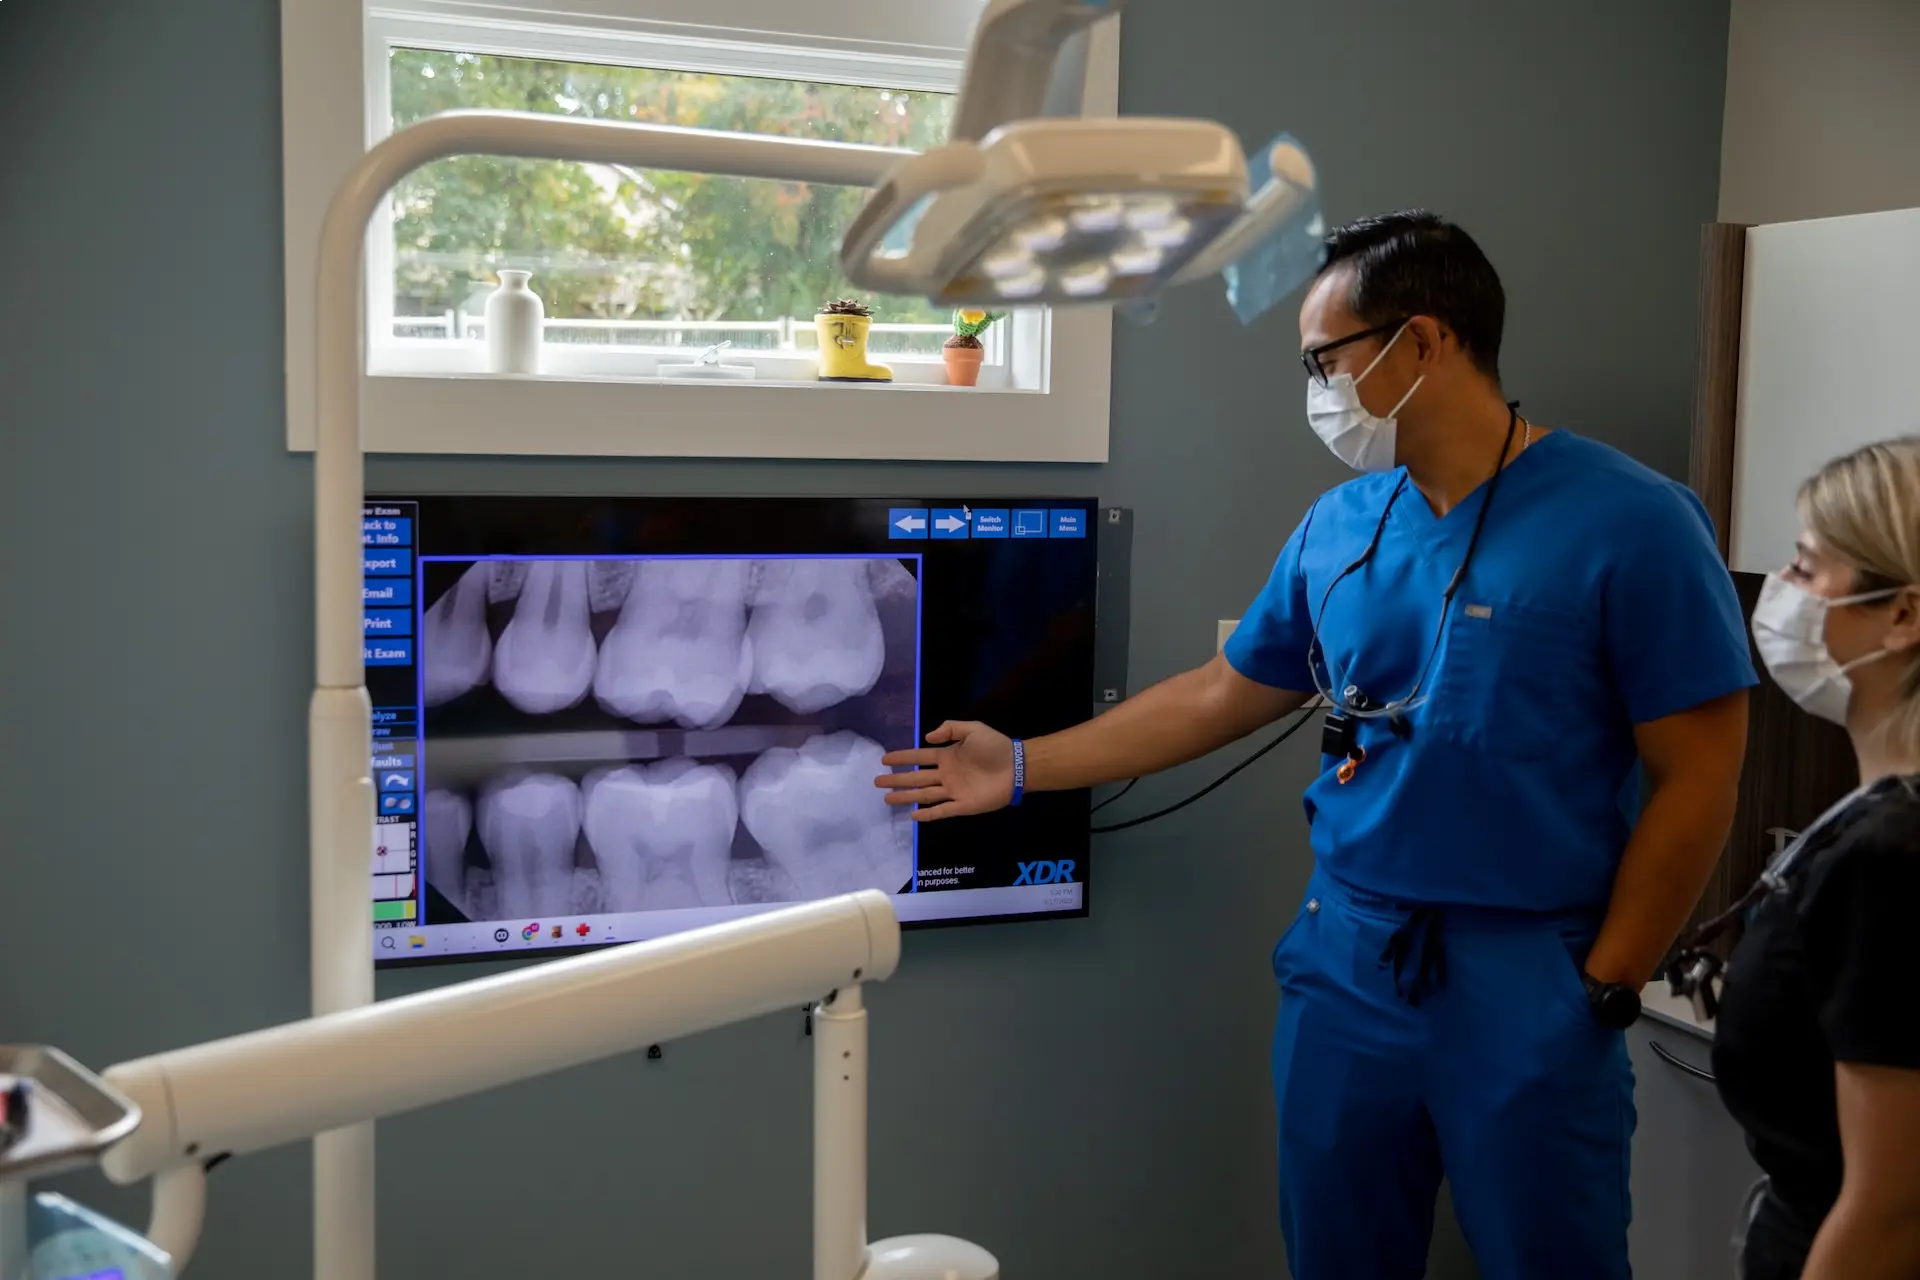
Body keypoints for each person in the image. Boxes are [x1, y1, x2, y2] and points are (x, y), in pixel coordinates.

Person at [875, 210, 1757, 1279]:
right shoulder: (1342, 524)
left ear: (1422, 342)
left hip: (1531, 976)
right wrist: (1018, 765)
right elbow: (1222, 691)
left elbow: (1701, 773)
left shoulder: (1633, 523)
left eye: (1324, 358)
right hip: (1348, 962)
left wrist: (1610, 979)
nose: (1316, 387)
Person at [1708, 438, 1920, 1280]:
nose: (1780, 596)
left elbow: (1891, 1208)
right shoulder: (1874, 817)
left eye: (1806, 567)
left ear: (1903, 615)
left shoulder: (1891, 860)